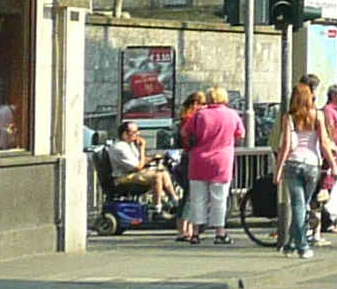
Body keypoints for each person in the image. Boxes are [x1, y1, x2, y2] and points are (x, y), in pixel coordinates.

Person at [276, 76, 337, 257]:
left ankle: (294, 244)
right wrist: (333, 165)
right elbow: (324, 142)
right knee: (302, 206)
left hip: (292, 163)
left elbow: (285, 145)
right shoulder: (317, 115)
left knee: (298, 205)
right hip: (312, 164)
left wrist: (278, 170)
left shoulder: (289, 117)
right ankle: (299, 245)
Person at [179, 86, 243, 246]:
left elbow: (184, 132)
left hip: (198, 160)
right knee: (219, 199)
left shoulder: (200, 114)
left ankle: (195, 233)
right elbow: (241, 133)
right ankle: (219, 233)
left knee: (197, 199)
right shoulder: (231, 114)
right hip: (222, 161)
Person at [99, 120, 178, 210]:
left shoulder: (129, 144)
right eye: (134, 132)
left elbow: (139, 160)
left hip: (131, 173)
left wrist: (153, 160)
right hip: (121, 177)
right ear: (125, 134)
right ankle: (157, 206)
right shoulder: (120, 147)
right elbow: (138, 167)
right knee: (156, 176)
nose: (138, 134)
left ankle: (173, 199)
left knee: (162, 171)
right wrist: (142, 147)